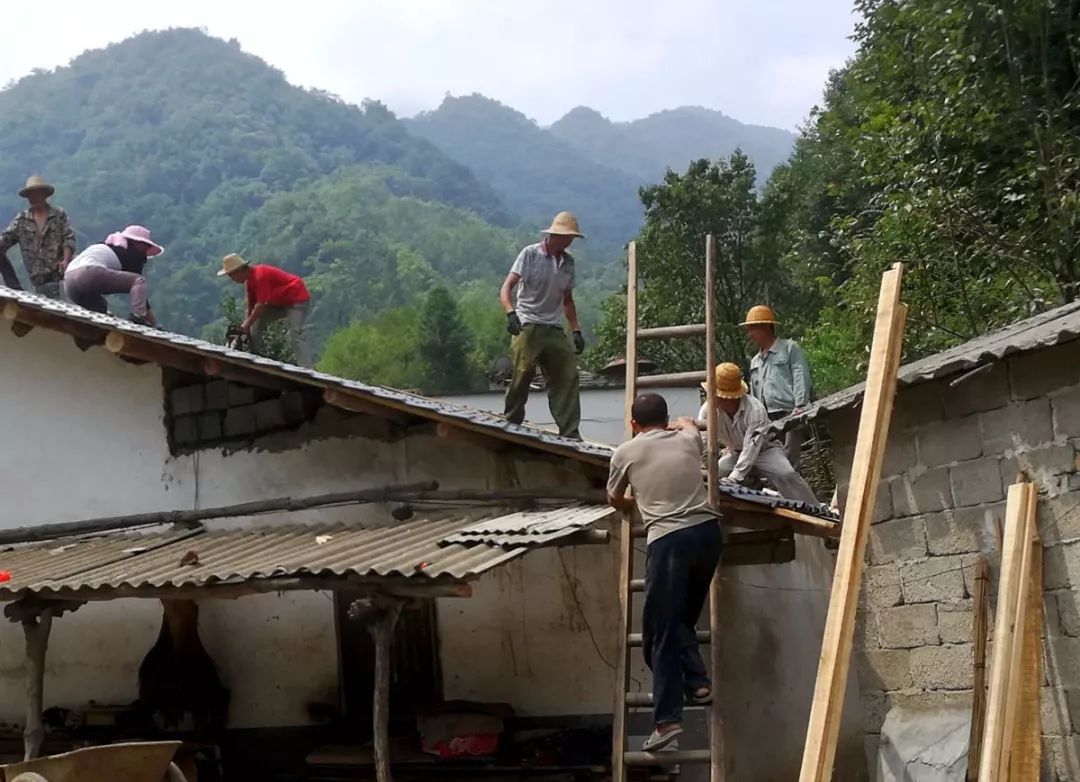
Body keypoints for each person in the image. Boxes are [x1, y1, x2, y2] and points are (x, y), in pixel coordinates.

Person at [607, 393, 723, 753]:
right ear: (666, 418)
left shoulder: (625, 451)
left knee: (659, 633)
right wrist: (679, 423)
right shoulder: (688, 438)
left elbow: (614, 498)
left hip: (669, 542)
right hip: (707, 536)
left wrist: (634, 503)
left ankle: (667, 721)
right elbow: (691, 422)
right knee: (681, 622)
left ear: (633, 425)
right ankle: (699, 683)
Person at [499, 211, 586, 439]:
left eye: (572, 238)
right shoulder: (530, 254)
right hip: (528, 322)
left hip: (553, 325)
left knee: (567, 374)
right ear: (555, 235)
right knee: (522, 372)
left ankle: (570, 432)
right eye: (567, 237)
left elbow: (567, 300)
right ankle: (511, 422)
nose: (569, 242)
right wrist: (510, 313)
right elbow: (507, 286)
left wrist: (576, 330)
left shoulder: (568, 263)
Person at [698, 362, 819, 506]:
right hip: (735, 453)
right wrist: (700, 463)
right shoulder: (707, 410)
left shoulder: (755, 410)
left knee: (786, 474)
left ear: (727, 397)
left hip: (765, 451)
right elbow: (703, 438)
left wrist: (735, 477)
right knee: (719, 471)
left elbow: (752, 447)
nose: (712, 398)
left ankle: (815, 509)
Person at [742, 305, 813, 470]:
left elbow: (800, 375)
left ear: (766, 327)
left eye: (753, 328)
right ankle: (780, 494)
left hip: (791, 411)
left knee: (789, 458)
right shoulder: (755, 361)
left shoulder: (789, 348)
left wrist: (801, 405)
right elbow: (754, 394)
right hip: (768, 417)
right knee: (775, 460)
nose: (750, 334)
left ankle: (790, 494)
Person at [218, 253, 313, 369]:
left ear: (239, 271)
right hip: (280, 302)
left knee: (296, 333)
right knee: (256, 324)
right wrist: (246, 326)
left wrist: (246, 324)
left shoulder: (260, 275)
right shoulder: (250, 282)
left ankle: (307, 368)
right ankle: (255, 356)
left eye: (232, 276)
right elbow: (251, 306)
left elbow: (261, 305)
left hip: (296, 298)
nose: (232, 280)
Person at [65, 225, 163, 325]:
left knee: (100, 309)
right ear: (135, 242)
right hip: (88, 273)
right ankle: (139, 316)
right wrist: (154, 322)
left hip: (69, 281)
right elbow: (140, 295)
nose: (146, 249)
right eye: (144, 244)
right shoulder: (130, 255)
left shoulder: (108, 247)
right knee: (139, 280)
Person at [0, 176, 77, 298]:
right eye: (30, 195)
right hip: (39, 281)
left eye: (36, 194)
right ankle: (16, 290)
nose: (33, 198)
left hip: (61, 278)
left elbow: (69, 238)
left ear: (44, 195)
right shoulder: (22, 220)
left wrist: (66, 260)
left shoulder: (58, 215)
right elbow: (5, 240)